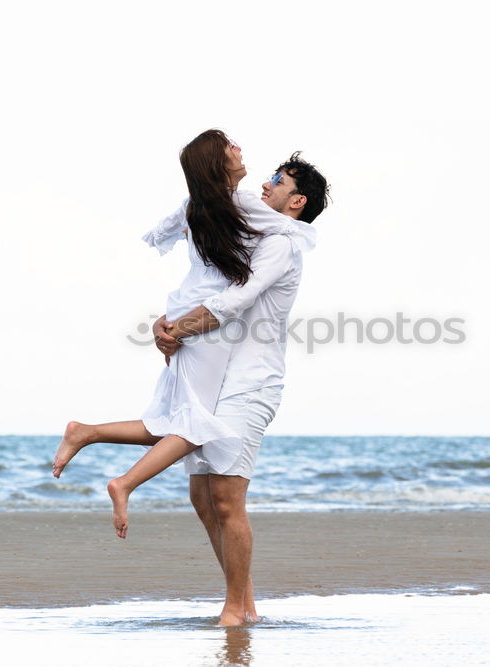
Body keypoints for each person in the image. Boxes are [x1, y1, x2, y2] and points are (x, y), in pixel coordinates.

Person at [51, 130, 314, 546]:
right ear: (219, 164)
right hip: (203, 323)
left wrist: (172, 322)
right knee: (193, 422)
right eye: (233, 148)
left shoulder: (201, 207)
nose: (261, 177)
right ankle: (122, 480)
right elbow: (284, 241)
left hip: (189, 312)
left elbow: (165, 232)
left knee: (176, 420)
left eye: (277, 181)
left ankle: (87, 433)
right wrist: (176, 326)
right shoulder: (247, 210)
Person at [153, 152, 330, 626]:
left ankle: (235, 609)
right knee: (202, 497)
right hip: (220, 377)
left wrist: (176, 331)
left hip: (251, 384)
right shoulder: (258, 236)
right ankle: (246, 604)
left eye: (278, 181)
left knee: (228, 498)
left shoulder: (281, 246)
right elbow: (208, 284)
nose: (265, 185)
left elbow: (234, 302)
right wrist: (166, 322)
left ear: (297, 201)